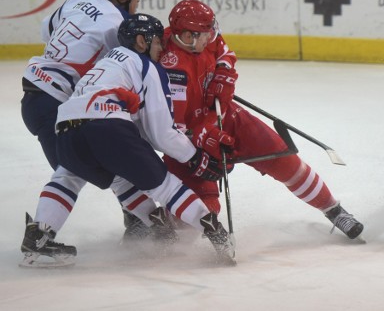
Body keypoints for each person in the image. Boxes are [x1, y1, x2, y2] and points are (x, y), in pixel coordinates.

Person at [20, 14, 235, 267]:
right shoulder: (148, 67)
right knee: (165, 186)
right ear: (142, 42)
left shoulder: (104, 62)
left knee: (74, 176)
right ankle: (217, 235)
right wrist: (195, 157)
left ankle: (37, 238)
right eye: (157, 43)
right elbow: (162, 134)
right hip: (106, 126)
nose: (161, 50)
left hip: (65, 129)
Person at [158, 0, 364, 240]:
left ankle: (334, 210)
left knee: (285, 161)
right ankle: (163, 226)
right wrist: (203, 139)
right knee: (205, 209)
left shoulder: (201, 35)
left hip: (228, 117)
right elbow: (171, 131)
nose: (210, 36)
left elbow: (224, 52)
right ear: (187, 36)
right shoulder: (171, 68)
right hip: (192, 143)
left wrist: (224, 73)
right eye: (204, 34)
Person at [19, 0, 156, 241]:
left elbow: (47, 30)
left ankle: (145, 220)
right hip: (57, 100)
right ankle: (40, 239)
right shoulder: (119, 25)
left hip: (36, 95)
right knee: (74, 169)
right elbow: (122, 68)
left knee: (104, 157)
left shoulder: (77, 0)